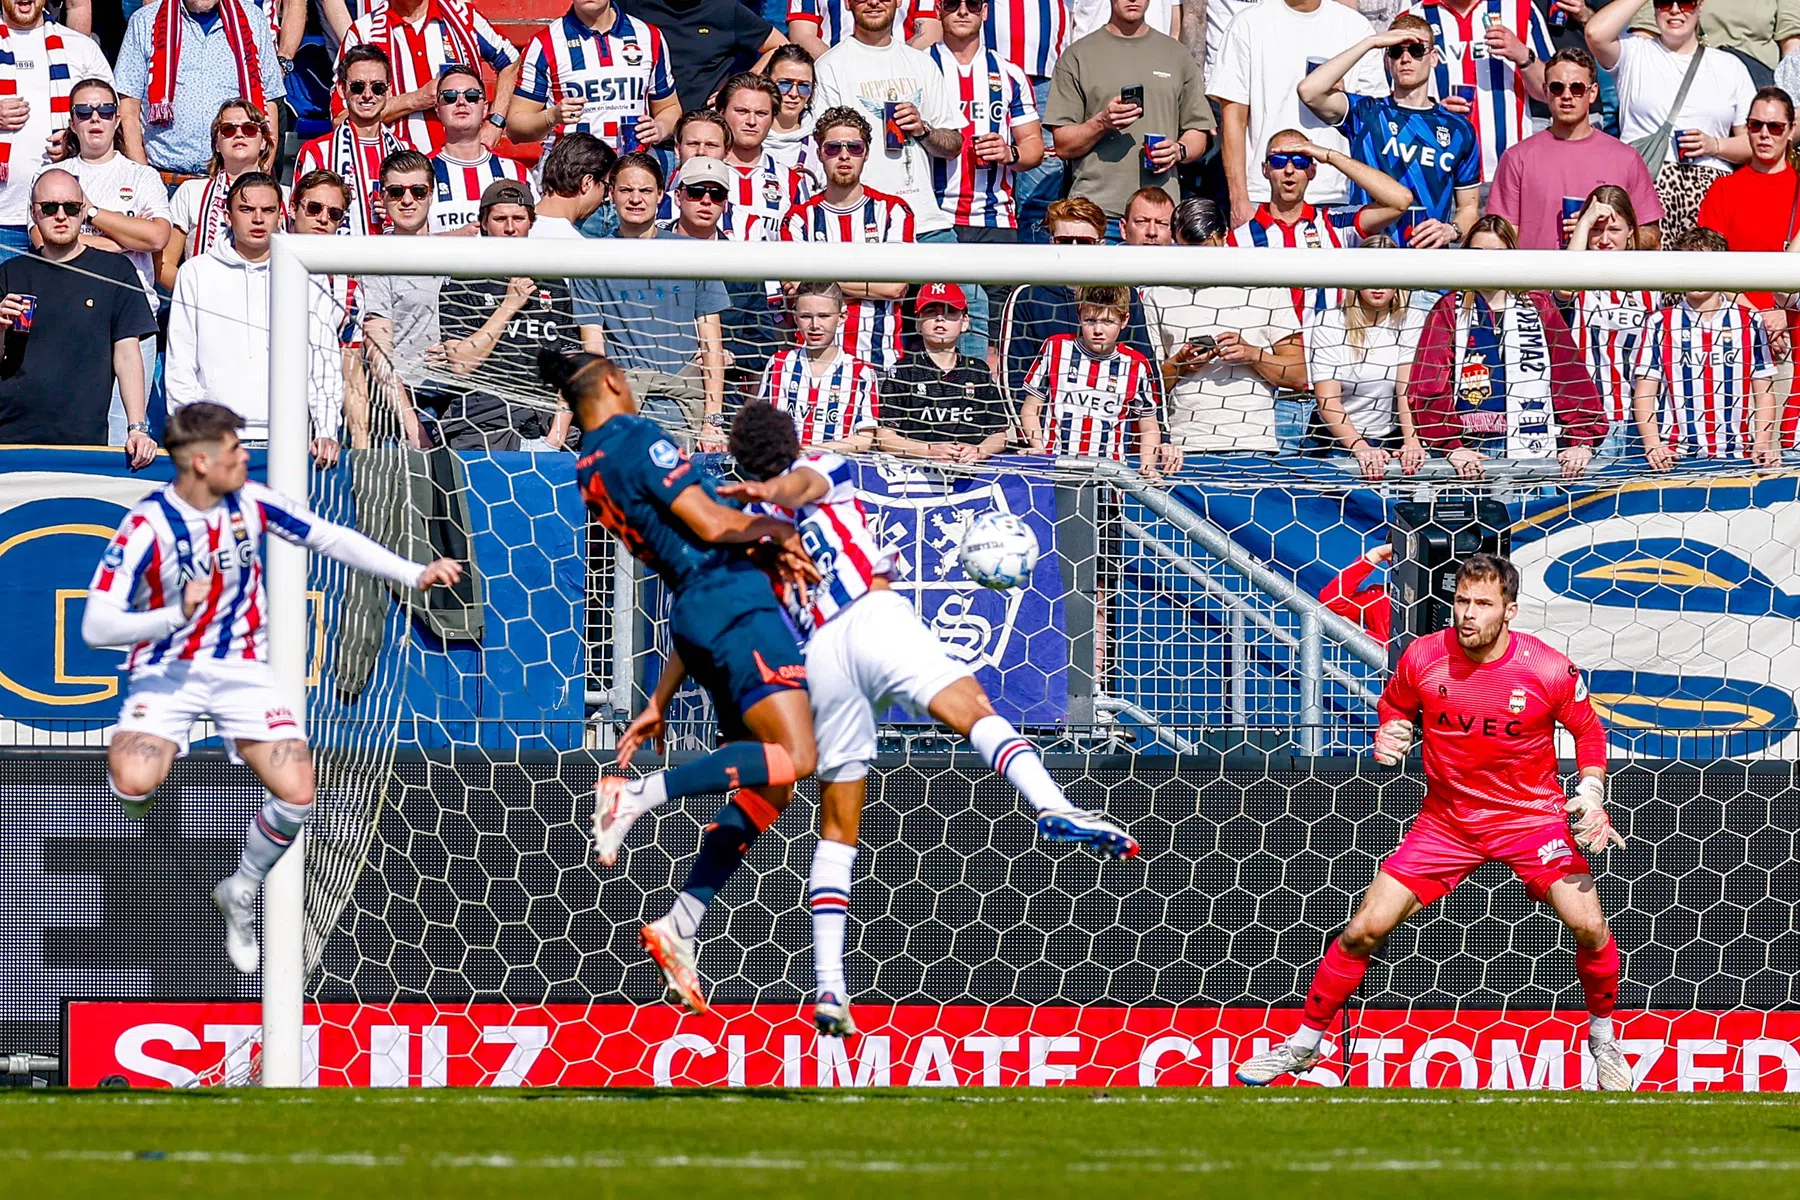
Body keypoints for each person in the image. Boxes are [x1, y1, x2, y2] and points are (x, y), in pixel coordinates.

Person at [722, 400, 1135, 1036]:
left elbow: (762, 531)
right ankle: (1055, 804)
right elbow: (803, 484)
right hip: (871, 615)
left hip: (820, 653)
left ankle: (829, 987)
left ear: (742, 458)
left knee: (838, 819)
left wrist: (750, 500)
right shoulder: (820, 463)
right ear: (793, 439)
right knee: (972, 708)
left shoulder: (749, 516)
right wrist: (774, 486)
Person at [83, 402, 463, 974]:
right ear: (202, 461)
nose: (246, 456)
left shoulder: (252, 502)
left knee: (297, 794)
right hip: (167, 670)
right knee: (133, 784)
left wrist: (414, 573)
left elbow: (331, 538)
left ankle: (241, 886)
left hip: (241, 670)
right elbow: (95, 625)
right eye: (236, 450)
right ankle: (149, 843)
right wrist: (169, 617)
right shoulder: (147, 526)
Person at [1236, 553, 1633, 1092]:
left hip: (1529, 820)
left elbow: (1588, 733)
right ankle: (1304, 1046)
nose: (1468, 614)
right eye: (1461, 601)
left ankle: (1603, 1039)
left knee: (1589, 924)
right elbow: (1395, 704)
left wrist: (1590, 792)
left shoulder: (1547, 668)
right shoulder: (1423, 656)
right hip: (1447, 823)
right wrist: (1391, 730)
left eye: (1482, 604)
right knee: (1362, 931)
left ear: (1509, 610)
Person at [544, 348, 819, 1017]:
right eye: (628, 379)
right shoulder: (637, 436)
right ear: (612, 382)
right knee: (800, 758)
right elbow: (711, 525)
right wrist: (774, 531)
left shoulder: (589, 467)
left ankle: (682, 922)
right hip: (733, 604)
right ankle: (638, 794)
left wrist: (658, 700)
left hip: (696, 616)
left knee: (772, 783)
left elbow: (682, 548)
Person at [1408, 214, 1606, 480]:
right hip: (1469, 454)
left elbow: (1569, 378)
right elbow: (1428, 386)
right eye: (1478, 252)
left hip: (1535, 447)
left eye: (1497, 253)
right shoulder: (1449, 309)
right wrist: (1451, 446)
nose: (1488, 261)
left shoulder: (1538, 307)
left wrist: (1581, 440)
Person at [168, 171, 341, 456]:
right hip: (216, 441)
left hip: (292, 441)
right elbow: (180, 363)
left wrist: (326, 430)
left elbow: (324, 361)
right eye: (246, 209)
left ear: (281, 214)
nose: (258, 219)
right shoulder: (195, 273)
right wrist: (197, 432)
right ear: (227, 216)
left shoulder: (308, 273)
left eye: (268, 210)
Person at [44, 77, 168, 446]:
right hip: (69, 316)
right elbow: (43, 238)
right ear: (72, 121)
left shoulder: (142, 176)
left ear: (117, 120)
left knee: (125, 430)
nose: (95, 118)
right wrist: (121, 240)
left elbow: (157, 236)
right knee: (69, 426)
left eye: (105, 110)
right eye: (84, 111)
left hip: (132, 316)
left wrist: (91, 212)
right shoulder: (51, 176)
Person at [0, 168, 156, 462]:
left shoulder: (116, 271)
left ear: (83, 210)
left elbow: (127, 354)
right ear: (34, 213)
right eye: (49, 208)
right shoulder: (9, 274)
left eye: (71, 207)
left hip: (82, 441)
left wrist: (137, 427)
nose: (61, 216)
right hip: (11, 440)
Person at [574, 152, 730, 445]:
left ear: (661, 195)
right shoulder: (591, 258)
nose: (636, 199)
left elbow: (712, 344)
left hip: (686, 412)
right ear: (611, 193)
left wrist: (713, 420)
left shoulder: (693, 254)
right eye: (626, 190)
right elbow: (593, 348)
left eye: (645, 190)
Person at [1143, 198, 1308, 455]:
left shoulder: (1266, 287)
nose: (1199, 263)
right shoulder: (1158, 294)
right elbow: (1147, 387)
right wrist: (1179, 364)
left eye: (1207, 249)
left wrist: (1253, 355)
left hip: (1252, 446)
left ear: (1226, 236)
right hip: (1184, 447)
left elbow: (1299, 375)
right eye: (1189, 251)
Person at [1298, 13, 1479, 248]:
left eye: (1416, 50)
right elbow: (1309, 90)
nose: (1405, 58)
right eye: (1395, 51)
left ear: (1433, 58)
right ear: (1387, 60)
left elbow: (1469, 208)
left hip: (1428, 265)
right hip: (1370, 260)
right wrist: (1370, 42)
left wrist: (1450, 230)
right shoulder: (1367, 113)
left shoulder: (1459, 129)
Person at [432, 181, 583, 451]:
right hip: (483, 424)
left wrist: (554, 439)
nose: (510, 228)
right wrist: (508, 306)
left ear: (531, 223)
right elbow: (461, 364)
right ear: (484, 223)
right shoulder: (463, 281)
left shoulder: (554, 282)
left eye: (519, 218)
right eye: (500, 219)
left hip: (547, 423)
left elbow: (571, 368)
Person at [1226, 129, 1413, 346]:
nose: (1289, 170)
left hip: (1329, 360)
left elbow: (1400, 200)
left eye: (1300, 161)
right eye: (1278, 161)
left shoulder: (1335, 223)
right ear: (1265, 169)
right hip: (1268, 362)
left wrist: (1328, 155)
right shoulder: (1238, 239)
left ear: (1312, 170)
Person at [928, 0, 1044, 347]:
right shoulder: (921, 66)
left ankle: (983, 399)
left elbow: (1035, 146)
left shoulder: (1009, 73)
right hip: (935, 218)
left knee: (991, 337)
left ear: (985, 11)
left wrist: (1010, 153)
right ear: (938, 9)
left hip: (995, 220)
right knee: (934, 328)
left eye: (973, 4)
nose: (962, 11)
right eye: (952, 3)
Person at [1586, 0, 1753, 239]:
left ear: (1700, 5)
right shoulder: (1635, 53)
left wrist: (1715, 145)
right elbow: (1595, 33)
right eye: (1664, 2)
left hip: (1710, 193)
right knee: (1646, 274)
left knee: (1705, 275)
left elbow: (1751, 142)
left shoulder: (1729, 66)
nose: (1675, 10)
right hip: (1647, 187)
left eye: (1686, 2)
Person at [1209, 0, 1379, 229]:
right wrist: (1239, 200)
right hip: (1264, 194)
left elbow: (1372, 121)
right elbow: (1233, 121)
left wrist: (1342, 98)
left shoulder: (1356, 28)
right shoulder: (1247, 24)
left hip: (1337, 196)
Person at [1047, 0, 1211, 236]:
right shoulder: (1078, 55)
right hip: (1095, 216)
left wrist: (1178, 150)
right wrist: (1102, 122)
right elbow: (1062, 144)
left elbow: (1198, 130)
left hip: (1158, 219)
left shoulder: (1176, 55)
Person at [814, 0, 966, 253]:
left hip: (924, 222)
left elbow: (953, 145)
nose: (873, 2)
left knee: (970, 294)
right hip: (863, 223)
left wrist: (922, 130)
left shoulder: (922, 64)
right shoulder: (829, 66)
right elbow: (823, 150)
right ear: (848, 3)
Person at [1633, 225, 1780, 471]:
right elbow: (1645, 391)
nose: (1697, 275)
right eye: (1689, 267)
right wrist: (1652, 444)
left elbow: (1764, 390)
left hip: (1737, 456)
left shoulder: (1749, 321)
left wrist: (1763, 441)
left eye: (1705, 266)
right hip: (1677, 457)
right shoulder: (1660, 322)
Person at [778, 106, 914, 370]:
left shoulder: (894, 211)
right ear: (819, 153)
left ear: (866, 153)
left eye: (854, 147)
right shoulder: (798, 218)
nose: (843, 155)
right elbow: (796, 291)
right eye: (833, 148)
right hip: (813, 366)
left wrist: (820, 281)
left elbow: (896, 288)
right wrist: (872, 286)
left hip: (880, 365)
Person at [1487, 48, 1663, 251]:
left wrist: (1604, 230)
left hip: (1603, 281)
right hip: (1536, 281)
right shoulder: (1517, 157)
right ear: (1545, 92)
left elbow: (1652, 233)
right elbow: (1500, 239)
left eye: (1577, 88)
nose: (1567, 95)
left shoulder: (1626, 158)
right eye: (1557, 88)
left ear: (1593, 93)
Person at [999, 197, 1156, 398]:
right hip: (1043, 425)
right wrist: (1031, 429)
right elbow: (1013, 379)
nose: (1073, 248)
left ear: (1101, 245)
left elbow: (1147, 369)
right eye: (1064, 241)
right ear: (1051, 243)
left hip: (1112, 422)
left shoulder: (1124, 293)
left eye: (1084, 242)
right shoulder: (1028, 297)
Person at [1704, 87, 1799, 412]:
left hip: (1793, 340)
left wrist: (1778, 315)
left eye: (1774, 127)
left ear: (1790, 130)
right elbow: (1708, 270)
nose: (1764, 134)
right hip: (1734, 340)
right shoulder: (1723, 189)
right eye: (1755, 125)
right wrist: (1760, 315)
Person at [1021, 284, 1179, 477]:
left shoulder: (1136, 365)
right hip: (1056, 470)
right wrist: (1039, 448)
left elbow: (1148, 425)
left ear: (1124, 320)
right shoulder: (1055, 349)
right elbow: (1030, 408)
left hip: (1110, 476)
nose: (1098, 330)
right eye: (1090, 320)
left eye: (1107, 321)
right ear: (1079, 315)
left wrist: (1148, 467)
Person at [115, 0, 284, 180]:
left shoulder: (253, 20)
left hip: (234, 183)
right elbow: (128, 109)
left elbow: (269, 103)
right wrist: (144, 177)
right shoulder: (144, 21)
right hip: (163, 181)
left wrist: (261, 172)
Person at [334, 0, 520, 155]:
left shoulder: (462, 18)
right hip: (396, 172)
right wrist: (415, 99)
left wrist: (495, 123)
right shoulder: (364, 32)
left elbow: (511, 62)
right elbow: (340, 120)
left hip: (463, 164)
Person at [1308, 241, 1428, 479]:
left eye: (1387, 276)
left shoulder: (1412, 319)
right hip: (1333, 443)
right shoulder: (1330, 321)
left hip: (1390, 440)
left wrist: (1411, 441)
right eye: (1370, 274)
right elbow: (1328, 401)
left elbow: (1405, 390)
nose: (1378, 286)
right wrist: (1360, 447)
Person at [0, 0, 109, 256]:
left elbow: (110, 118)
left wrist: (74, 140)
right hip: (3, 221)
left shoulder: (82, 48)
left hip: (66, 221)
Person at [1404, 0, 1550, 188]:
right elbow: (1397, 103)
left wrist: (1523, 56)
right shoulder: (1415, 18)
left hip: (1510, 174)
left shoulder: (1521, 8)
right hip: (1440, 176)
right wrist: (1434, 112)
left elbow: (1549, 92)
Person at [510, 0, 680, 159]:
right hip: (570, 174)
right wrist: (551, 116)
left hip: (631, 172)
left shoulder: (648, 36)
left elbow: (669, 107)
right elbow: (515, 127)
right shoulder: (546, 42)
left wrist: (659, 128)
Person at [1562, 185, 1654, 457]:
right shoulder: (1577, 278)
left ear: (1631, 232)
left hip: (1643, 422)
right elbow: (1563, 285)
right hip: (1588, 422)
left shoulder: (1654, 280)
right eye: (1595, 230)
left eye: (1614, 230)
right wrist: (1585, 220)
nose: (1604, 239)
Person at [360, 149, 441, 449]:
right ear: (382, 198)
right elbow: (379, 350)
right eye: (396, 192)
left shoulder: (462, 254)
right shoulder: (376, 259)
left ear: (431, 194)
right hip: (405, 405)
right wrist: (412, 425)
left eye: (418, 191)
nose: (407, 200)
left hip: (461, 400)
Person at [876, 282, 1010, 461]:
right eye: (931, 312)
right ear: (917, 323)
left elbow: (999, 434)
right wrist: (928, 451)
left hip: (970, 477)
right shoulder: (902, 372)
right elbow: (884, 437)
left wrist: (980, 451)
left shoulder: (978, 372)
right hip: (914, 475)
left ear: (965, 322)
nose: (940, 318)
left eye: (950, 311)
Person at [159, 98, 274, 290]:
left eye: (249, 129)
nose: (239, 134)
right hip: (203, 304)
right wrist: (198, 294)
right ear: (217, 144)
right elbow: (164, 263)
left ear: (263, 142)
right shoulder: (191, 192)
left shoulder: (285, 197)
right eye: (228, 129)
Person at [756, 281, 880, 450]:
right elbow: (760, 425)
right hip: (784, 469)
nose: (815, 325)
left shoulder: (861, 372)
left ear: (841, 317)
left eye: (824, 316)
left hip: (834, 471)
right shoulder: (778, 364)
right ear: (795, 317)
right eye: (806, 316)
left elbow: (865, 439)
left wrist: (812, 452)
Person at [293, 45, 402, 236]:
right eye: (358, 87)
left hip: (394, 260)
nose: (368, 95)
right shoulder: (316, 151)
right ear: (342, 90)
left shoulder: (406, 151)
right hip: (336, 262)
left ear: (389, 91)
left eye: (377, 87)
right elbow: (298, 220)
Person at [291, 168, 358, 461]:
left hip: (312, 423)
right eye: (315, 208)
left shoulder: (350, 280)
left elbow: (345, 362)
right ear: (293, 208)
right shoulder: (257, 261)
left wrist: (329, 428)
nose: (322, 218)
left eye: (334, 214)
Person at [426, 64, 534, 235]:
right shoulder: (421, 172)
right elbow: (403, 243)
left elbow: (537, 236)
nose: (461, 102)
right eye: (449, 97)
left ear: (485, 108)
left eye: (472, 96)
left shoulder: (516, 172)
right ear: (437, 110)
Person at [626, 0, 785, 115]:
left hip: (705, 136)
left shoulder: (725, 10)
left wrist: (741, 83)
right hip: (649, 135)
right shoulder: (635, 5)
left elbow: (779, 46)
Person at [717, 73, 811, 240]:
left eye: (761, 113)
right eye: (741, 111)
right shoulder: (697, 173)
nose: (751, 121)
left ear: (773, 118)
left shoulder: (791, 182)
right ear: (721, 112)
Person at [1632, 0, 1799, 78]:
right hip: (1692, 83)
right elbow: (1645, 36)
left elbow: (1792, 41)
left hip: (1759, 90)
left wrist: (1792, 103)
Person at [530, 130, 614, 238]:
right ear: (587, 182)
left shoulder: (511, 228)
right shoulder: (576, 247)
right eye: (606, 190)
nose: (603, 200)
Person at [787, 0, 938, 59]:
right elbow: (801, 35)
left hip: (902, 72)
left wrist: (896, 64)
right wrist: (843, 66)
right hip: (837, 72)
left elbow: (929, 34)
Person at [763, 43, 824, 183]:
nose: (794, 93)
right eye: (784, 84)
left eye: (803, 86)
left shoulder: (822, 142)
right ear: (767, 82)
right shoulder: (745, 134)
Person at [1318, 542, 1392, 642]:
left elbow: (1407, 651)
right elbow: (1331, 601)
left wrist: (1362, 634)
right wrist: (1375, 555)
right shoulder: (1379, 596)